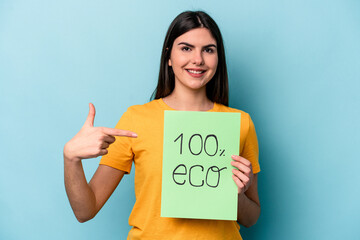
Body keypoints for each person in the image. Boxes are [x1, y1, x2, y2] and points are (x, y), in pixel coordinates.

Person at [64, 10, 260, 240]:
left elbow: (251, 218)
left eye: (208, 50)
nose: (198, 59)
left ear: (218, 58)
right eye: (186, 48)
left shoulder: (240, 123)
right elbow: (85, 210)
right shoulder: (137, 119)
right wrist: (71, 159)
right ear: (169, 56)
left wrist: (234, 196)